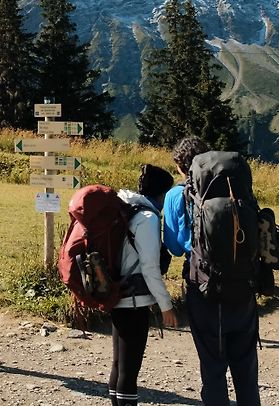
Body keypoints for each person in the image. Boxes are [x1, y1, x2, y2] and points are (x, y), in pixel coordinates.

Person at [163, 136, 260, 406]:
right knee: (247, 370)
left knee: (214, 368)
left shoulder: (176, 195)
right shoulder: (237, 188)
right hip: (244, 284)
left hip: (204, 288)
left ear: (183, 168)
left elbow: (173, 245)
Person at [109, 166, 179, 406]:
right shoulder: (147, 218)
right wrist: (166, 305)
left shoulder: (127, 209)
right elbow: (150, 268)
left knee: (119, 364)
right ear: (161, 194)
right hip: (135, 300)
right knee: (129, 368)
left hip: (116, 293)